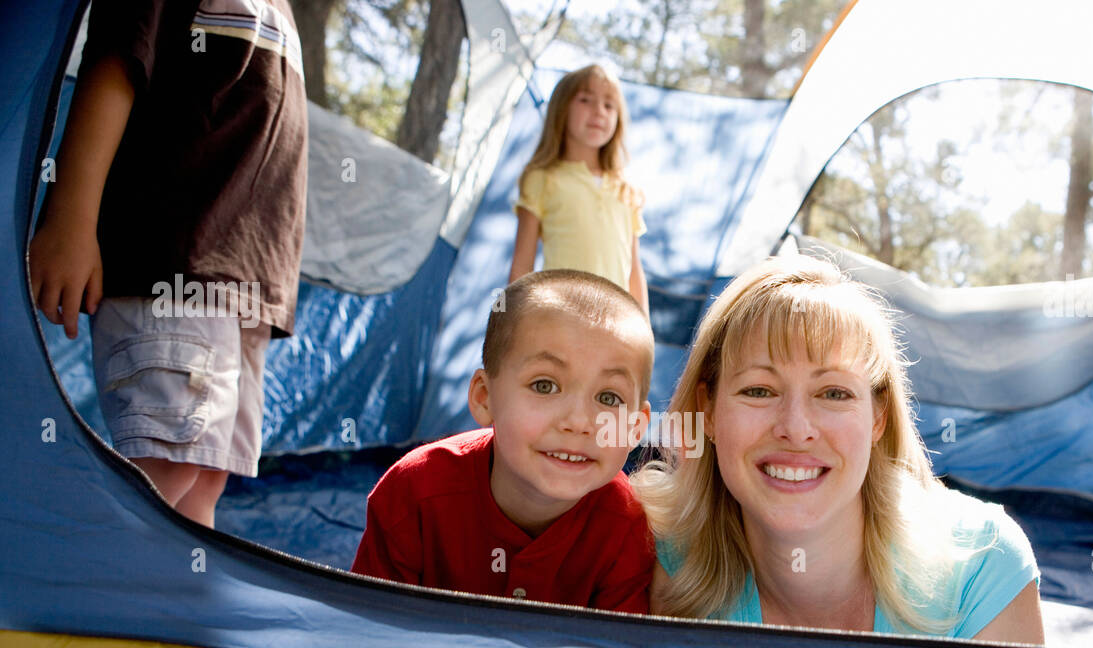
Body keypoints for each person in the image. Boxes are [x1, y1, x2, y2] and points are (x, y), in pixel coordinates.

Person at [632, 255, 1045, 644]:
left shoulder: (983, 568)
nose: (795, 428)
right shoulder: (658, 554)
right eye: (759, 390)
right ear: (708, 412)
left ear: (878, 418)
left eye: (833, 393)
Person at [27, 0, 308, 528]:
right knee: (163, 470)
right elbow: (119, 58)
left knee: (204, 480)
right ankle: (63, 594)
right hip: (175, 268)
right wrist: (71, 217)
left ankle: (173, 607)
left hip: (243, 289)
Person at [352, 270, 657, 613]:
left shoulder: (631, 527)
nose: (579, 422)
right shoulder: (412, 493)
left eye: (609, 398)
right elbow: (367, 632)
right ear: (485, 397)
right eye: (545, 385)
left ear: (635, 428)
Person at [509, 64, 650, 315]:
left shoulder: (626, 190)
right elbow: (522, 266)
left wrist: (643, 330)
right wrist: (513, 323)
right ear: (561, 110)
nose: (599, 112)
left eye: (609, 105)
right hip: (560, 316)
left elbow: (634, 273)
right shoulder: (542, 178)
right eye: (585, 100)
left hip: (613, 322)